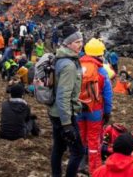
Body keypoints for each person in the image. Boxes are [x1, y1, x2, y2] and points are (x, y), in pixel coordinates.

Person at [48, 23, 84, 177]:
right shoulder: (69, 65)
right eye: (77, 42)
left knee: (59, 148)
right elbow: (63, 95)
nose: (81, 45)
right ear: (68, 44)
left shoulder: (60, 58)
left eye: (81, 41)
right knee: (78, 151)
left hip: (55, 112)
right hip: (64, 115)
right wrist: (67, 124)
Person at [78, 38, 113, 174]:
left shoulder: (78, 66)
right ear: (100, 54)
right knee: (94, 140)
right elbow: (108, 94)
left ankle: (80, 162)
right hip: (95, 110)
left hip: (79, 107)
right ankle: (95, 169)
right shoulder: (101, 71)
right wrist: (107, 112)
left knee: (81, 136)